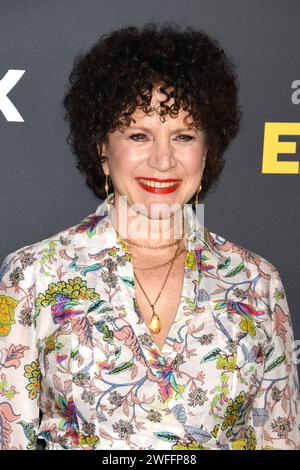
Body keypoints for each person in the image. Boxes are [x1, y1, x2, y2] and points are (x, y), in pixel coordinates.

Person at [0, 23, 299, 451]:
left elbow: (279, 438)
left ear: (208, 148)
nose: (163, 159)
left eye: (183, 136)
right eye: (139, 135)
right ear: (102, 147)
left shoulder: (258, 283)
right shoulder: (32, 277)